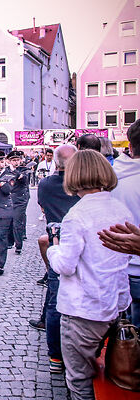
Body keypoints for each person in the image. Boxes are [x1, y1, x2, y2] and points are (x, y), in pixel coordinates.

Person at [47, 149, 132, 400]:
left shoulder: (77, 215)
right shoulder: (119, 208)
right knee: (106, 373)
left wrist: (53, 249)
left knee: (79, 379)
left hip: (83, 310)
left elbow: (66, 265)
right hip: (115, 304)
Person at [29, 144, 79, 374]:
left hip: (55, 243)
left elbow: (41, 205)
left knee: (54, 301)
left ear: (56, 163)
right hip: (76, 248)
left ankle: (55, 358)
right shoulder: (80, 187)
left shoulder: (47, 185)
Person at [107, 119, 140, 327]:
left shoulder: (112, 180)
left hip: (120, 268)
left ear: (130, 145)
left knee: (125, 338)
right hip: (129, 268)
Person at [7, 150, 30, 255]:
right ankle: (10, 242)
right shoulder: (6, 170)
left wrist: (14, 171)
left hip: (20, 200)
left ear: (20, 160)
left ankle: (18, 245)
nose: (15, 162)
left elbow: (23, 179)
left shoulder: (23, 170)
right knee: (9, 222)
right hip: (9, 199)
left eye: (17, 160)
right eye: (13, 160)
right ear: (9, 161)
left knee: (17, 223)